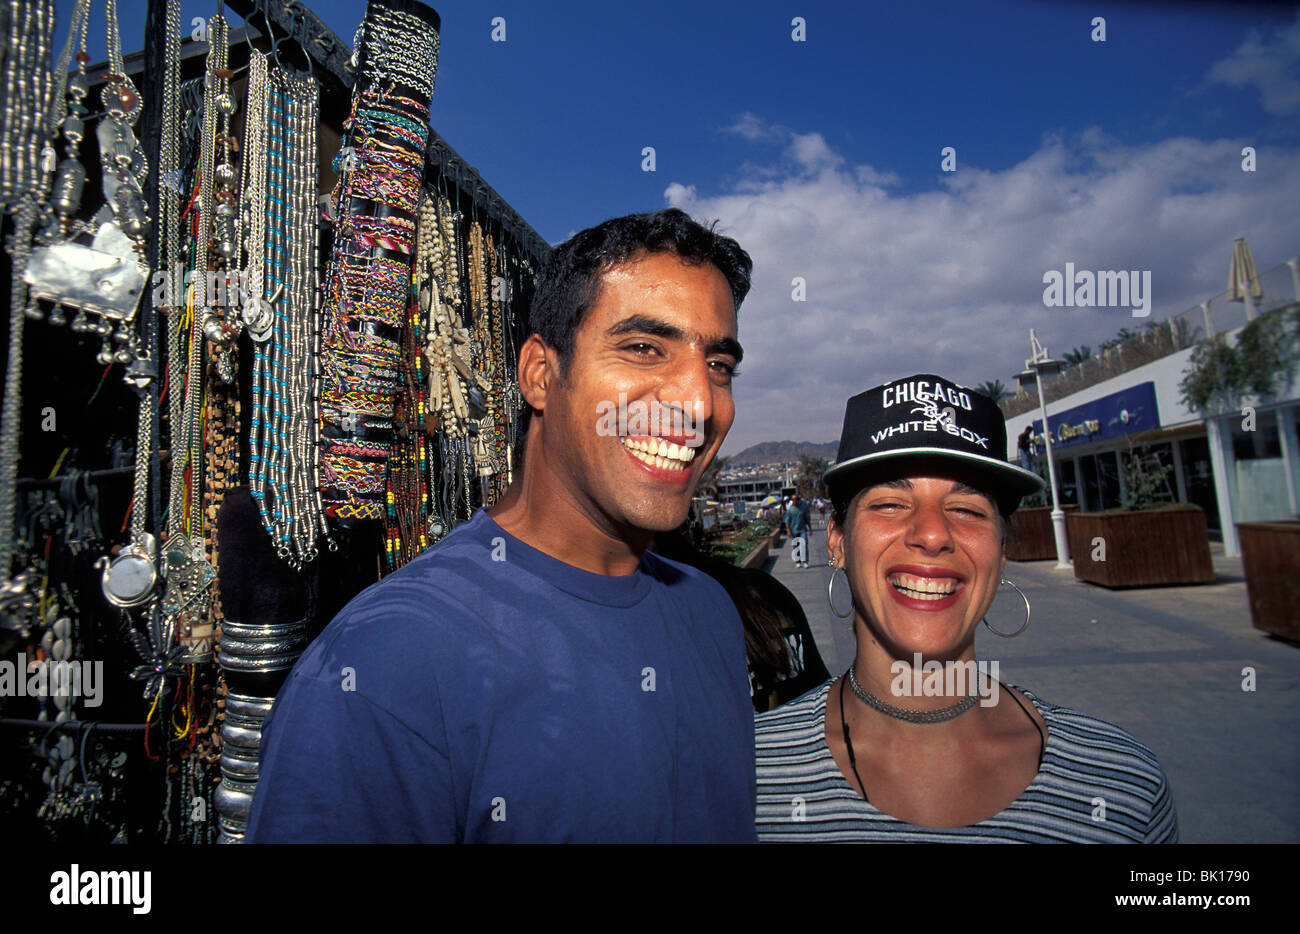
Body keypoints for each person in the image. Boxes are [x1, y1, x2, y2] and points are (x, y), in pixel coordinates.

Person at [246, 208, 757, 842]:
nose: (698, 403)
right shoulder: (385, 665)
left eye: (719, 366)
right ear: (541, 375)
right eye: (644, 348)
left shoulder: (709, 612)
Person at [755, 374, 1178, 842]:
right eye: (892, 503)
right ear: (837, 540)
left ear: (999, 551)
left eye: (968, 509)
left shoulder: (1122, 785)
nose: (933, 534)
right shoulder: (749, 779)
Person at [782, 492, 812, 568]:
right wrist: (788, 530)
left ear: (799, 500)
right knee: (796, 546)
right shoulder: (790, 510)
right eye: (793, 499)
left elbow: (807, 519)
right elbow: (787, 521)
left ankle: (805, 561)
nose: (795, 501)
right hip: (794, 531)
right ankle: (797, 562)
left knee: (804, 545)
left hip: (802, 530)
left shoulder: (803, 509)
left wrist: (810, 528)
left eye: (796, 499)